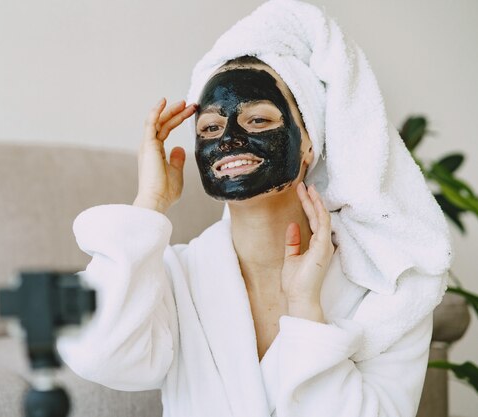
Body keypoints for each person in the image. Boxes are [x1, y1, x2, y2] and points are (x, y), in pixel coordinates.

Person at [58, 1, 452, 416]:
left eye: (259, 120)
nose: (228, 139)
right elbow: (100, 355)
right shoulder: (175, 277)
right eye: (209, 127)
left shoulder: (385, 289)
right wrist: (150, 205)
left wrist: (306, 311)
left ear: (309, 144)